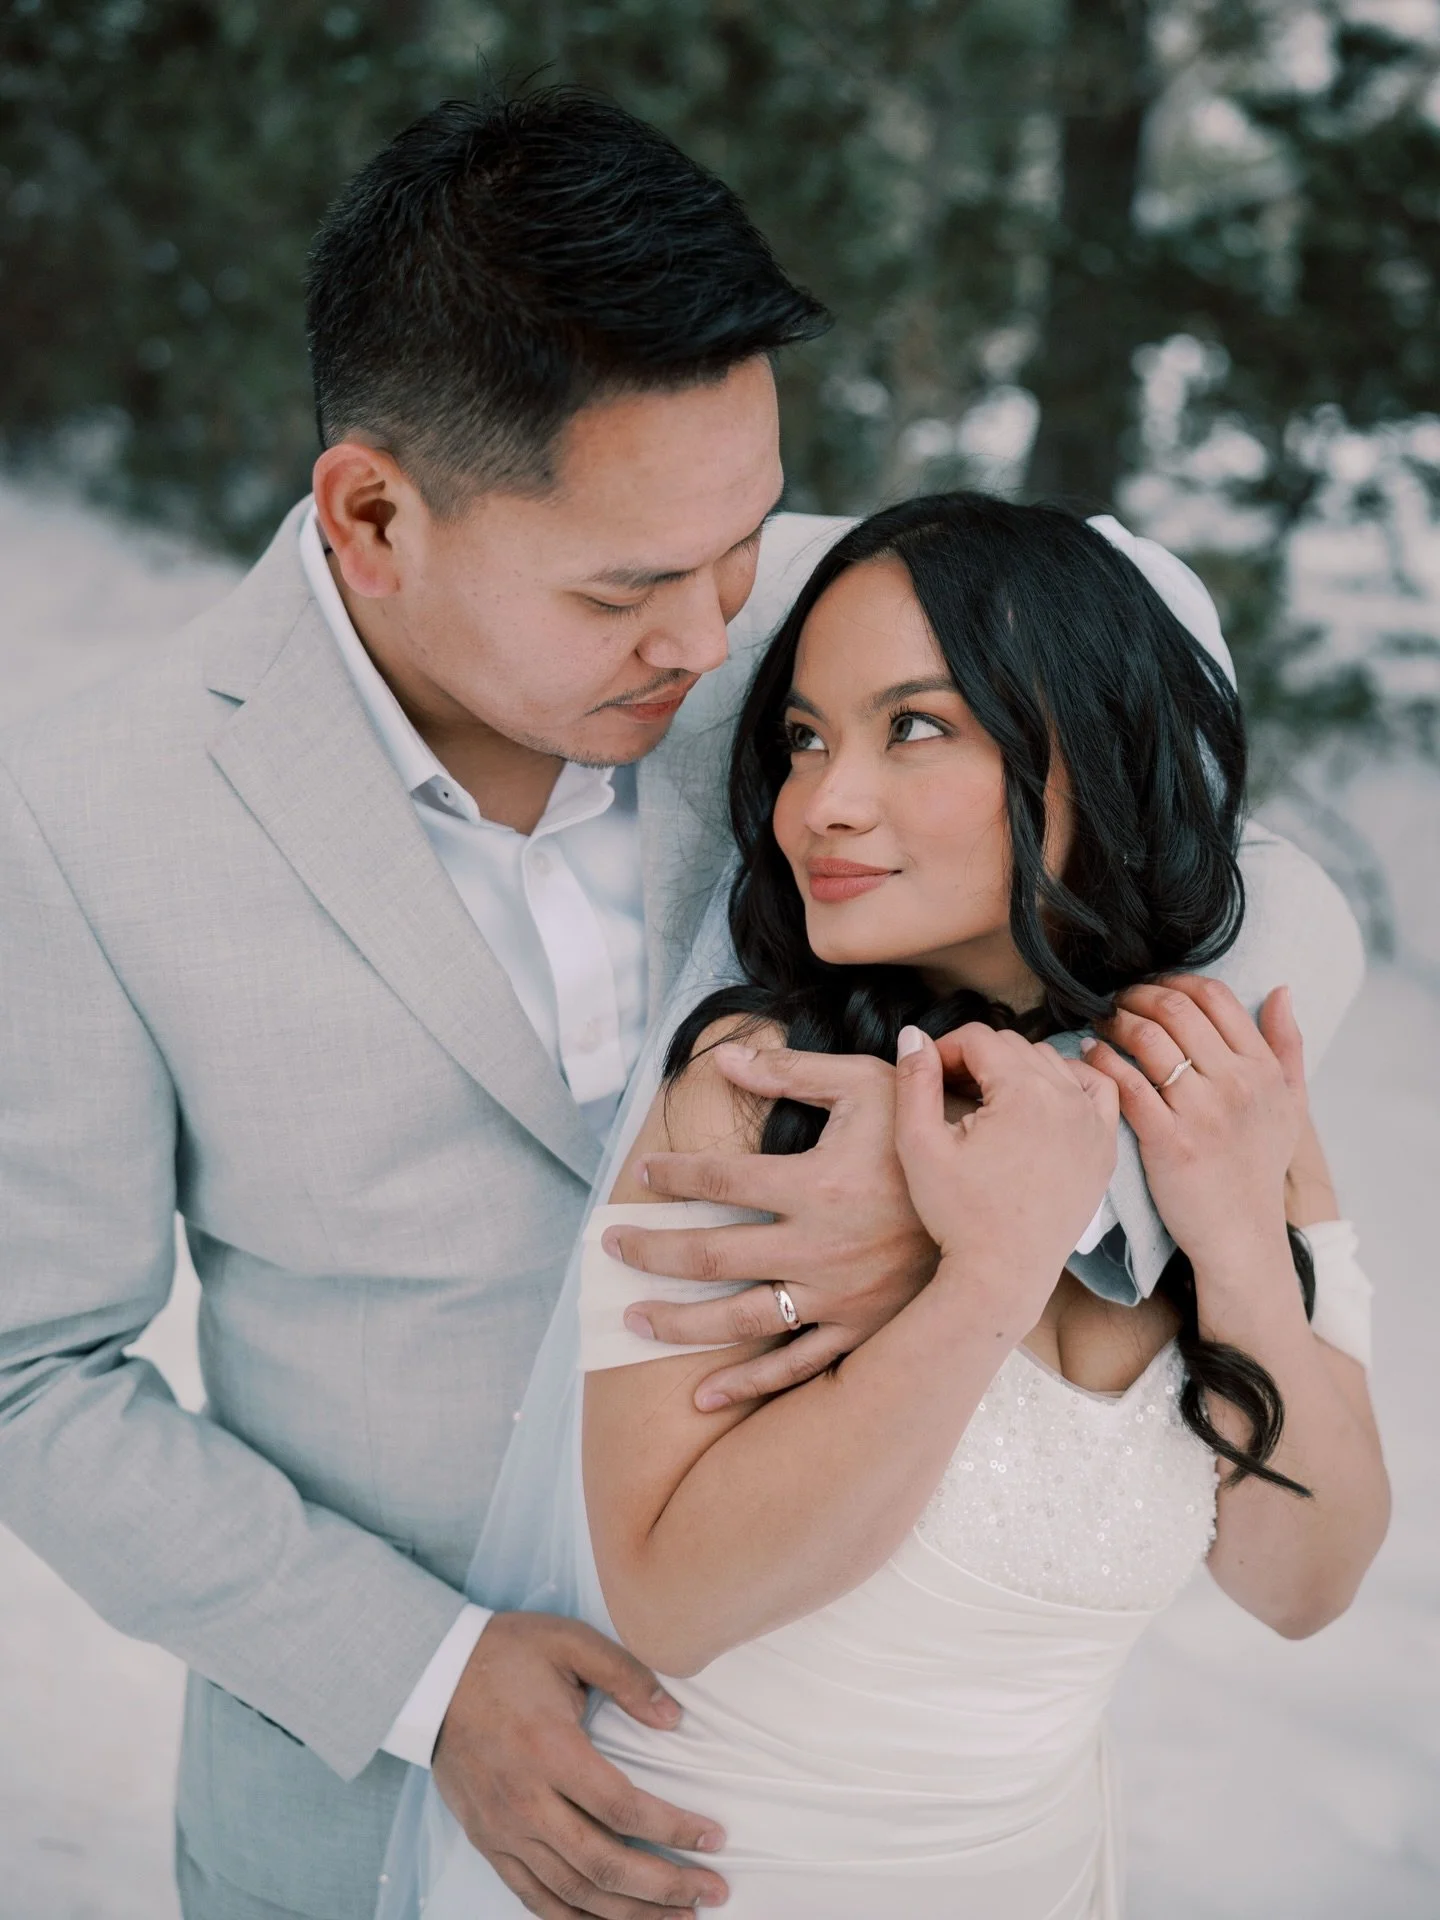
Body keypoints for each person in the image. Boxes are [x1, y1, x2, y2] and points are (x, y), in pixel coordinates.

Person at [0, 90, 1360, 1920]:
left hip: (859, 1787)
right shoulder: (90, 817)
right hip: (375, 1829)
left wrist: (1042, 1195)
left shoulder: (819, 628)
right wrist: (420, 1677)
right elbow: (31, 1377)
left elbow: (1249, 883)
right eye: (633, 591)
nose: (716, 640)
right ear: (375, 513)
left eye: (745, 546)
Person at [405, 495, 1388, 1919]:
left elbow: (1306, 1582)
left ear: (1090, 753)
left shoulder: (1219, 1101)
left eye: (912, 727)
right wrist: (989, 1275)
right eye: (805, 737)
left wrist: (1232, 1235)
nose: (824, 803)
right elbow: (673, 1594)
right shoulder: (758, 1095)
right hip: (714, 1880)